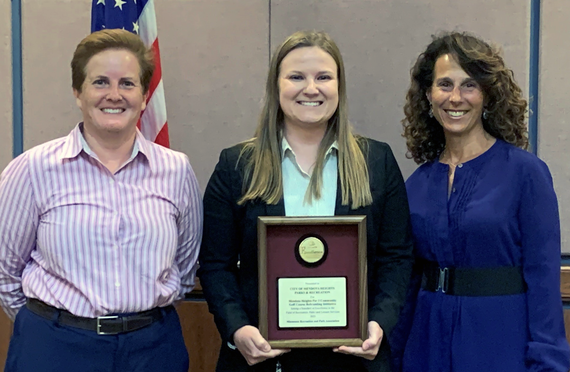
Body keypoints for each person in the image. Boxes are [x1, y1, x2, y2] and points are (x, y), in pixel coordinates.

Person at [198, 30, 413, 372]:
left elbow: (397, 258)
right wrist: (238, 329)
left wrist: (379, 324)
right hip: (262, 360)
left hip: (353, 360)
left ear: (339, 88)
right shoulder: (237, 166)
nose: (311, 88)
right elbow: (215, 265)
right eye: (296, 76)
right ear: (276, 86)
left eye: (323, 77)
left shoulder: (377, 161)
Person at [0, 29, 202, 372]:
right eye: (100, 83)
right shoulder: (33, 169)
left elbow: (184, 270)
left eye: (127, 83)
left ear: (144, 94)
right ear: (78, 92)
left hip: (152, 349)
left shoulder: (176, 170)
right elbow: (5, 272)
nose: (114, 95)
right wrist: (56, 327)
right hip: (55, 348)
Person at [390, 31, 570, 372]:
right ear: (428, 95)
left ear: (487, 95)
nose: (455, 98)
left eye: (469, 85)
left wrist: (548, 363)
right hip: (425, 347)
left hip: (500, 345)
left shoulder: (525, 173)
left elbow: (543, 279)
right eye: (444, 84)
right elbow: (407, 284)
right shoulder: (416, 185)